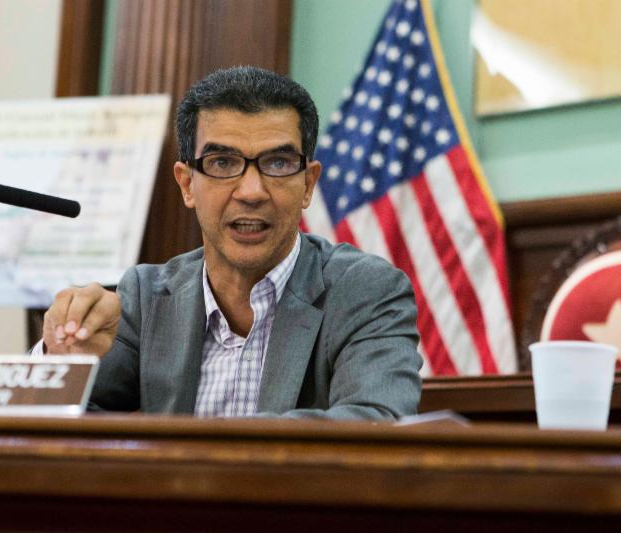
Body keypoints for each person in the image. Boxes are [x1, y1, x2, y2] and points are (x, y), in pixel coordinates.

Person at [38, 66, 422, 420]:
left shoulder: (365, 291)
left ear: (308, 183)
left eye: (278, 163)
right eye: (222, 163)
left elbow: (376, 422)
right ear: (187, 184)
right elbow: (65, 418)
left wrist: (200, 447)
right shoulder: (147, 298)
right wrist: (60, 359)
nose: (251, 192)